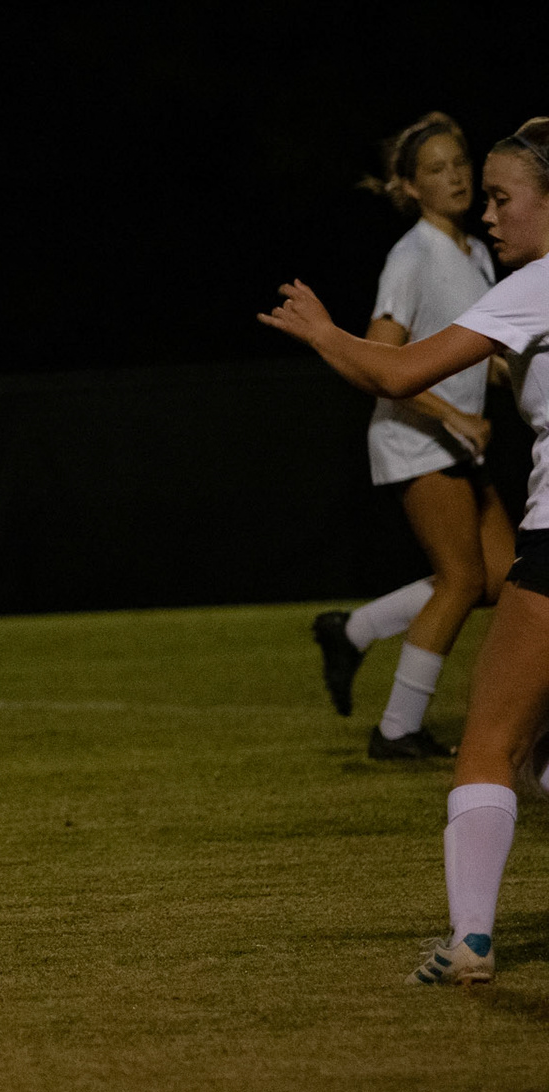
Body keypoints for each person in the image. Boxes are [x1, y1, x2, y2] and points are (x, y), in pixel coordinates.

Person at [261, 116, 549, 986]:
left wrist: (322, 332)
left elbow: (393, 371)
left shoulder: (535, 283)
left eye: (501, 196)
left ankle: (470, 943)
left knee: (488, 743)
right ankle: (358, 641)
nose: (488, 212)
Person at [311, 113, 511, 759]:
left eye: (461, 163)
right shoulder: (413, 255)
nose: (455, 177)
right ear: (410, 187)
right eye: (436, 169)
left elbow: (479, 354)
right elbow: (380, 362)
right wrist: (453, 414)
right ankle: (397, 730)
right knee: (461, 580)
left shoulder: (476, 250)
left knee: (501, 576)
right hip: (414, 439)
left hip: (454, 442)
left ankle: (353, 629)